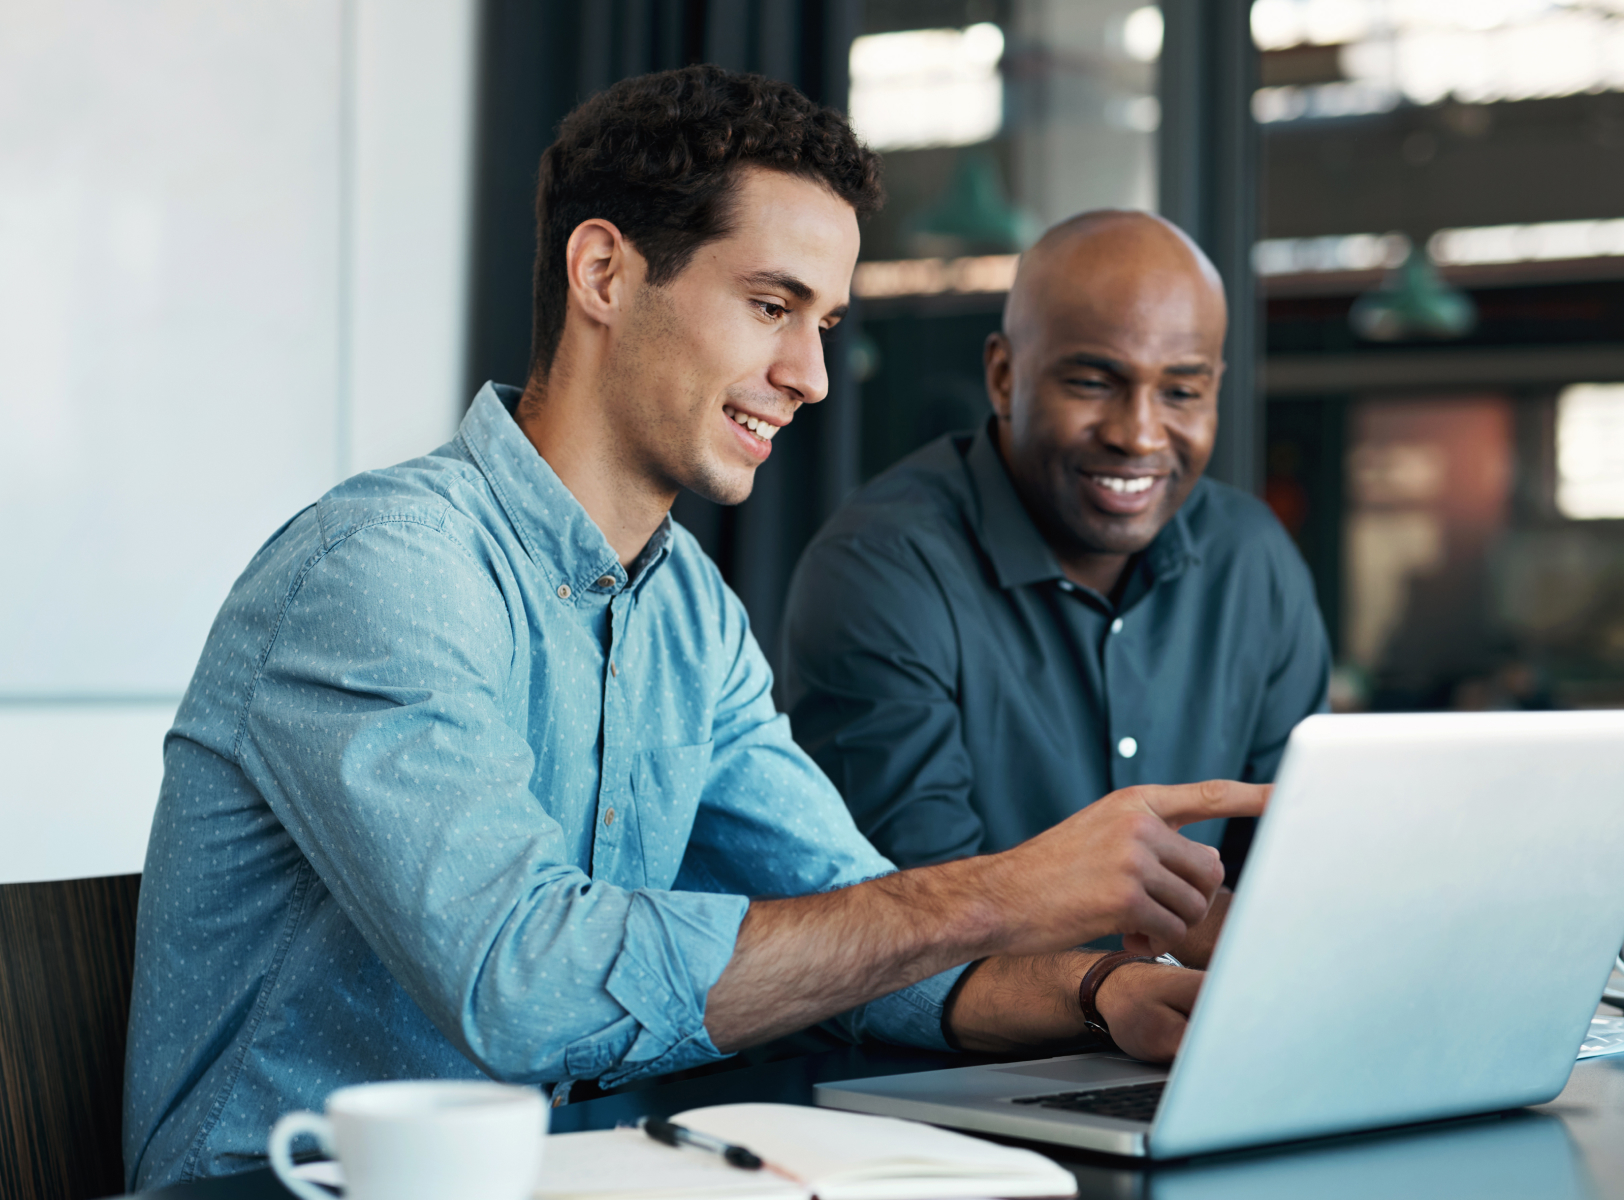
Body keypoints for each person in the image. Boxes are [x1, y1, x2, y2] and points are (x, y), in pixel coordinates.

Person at [122, 68, 1266, 1188]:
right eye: (772, 307)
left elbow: (861, 945)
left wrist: (1097, 993)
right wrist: (1003, 889)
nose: (811, 375)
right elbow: (527, 989)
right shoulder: (385, 572)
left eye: (824, 322)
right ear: (606, 273)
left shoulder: (689, 616)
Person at [779, 211, 1330, 957]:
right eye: (1095, 381)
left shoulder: (1251, 558)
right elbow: (919, 917)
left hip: (1198, 1040)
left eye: (1180, 392)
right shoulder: (883, 566)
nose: (1138, 434)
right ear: (1004, 376)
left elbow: (1299, 868)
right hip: (942, 1067)